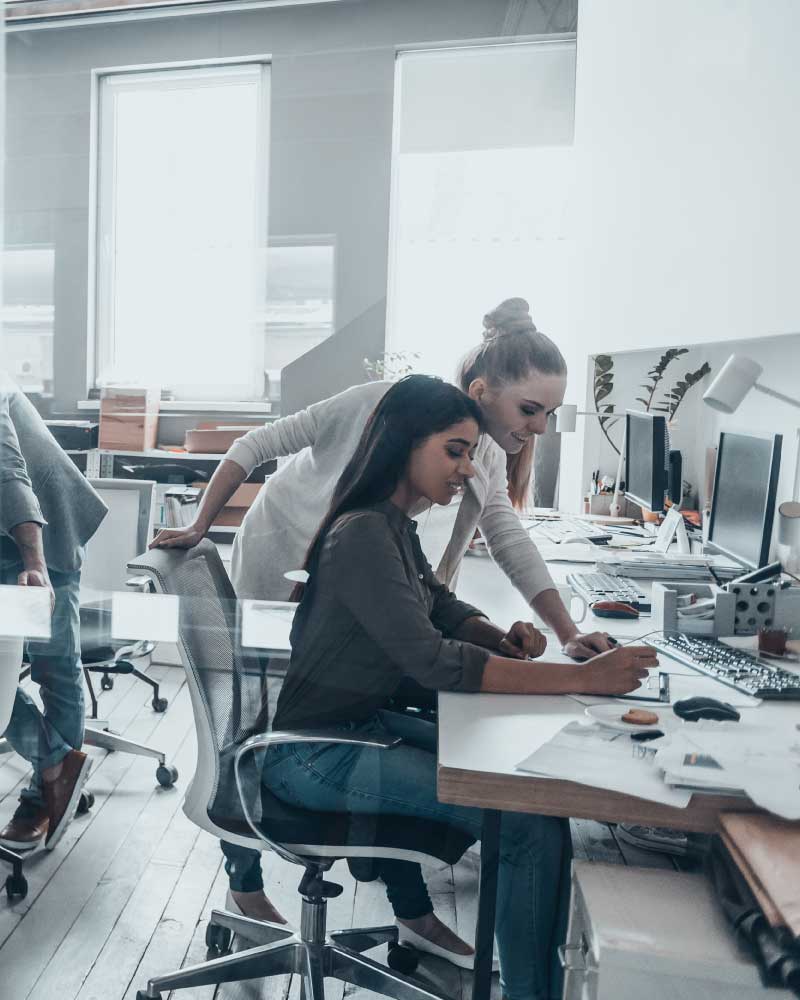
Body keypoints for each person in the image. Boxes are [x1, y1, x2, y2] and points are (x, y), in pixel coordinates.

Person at [150, 296, 615, 939]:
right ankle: (247, 882)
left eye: (549, 415)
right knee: (252, 716)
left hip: (357, 595)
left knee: (373, 707)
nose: (538, 428)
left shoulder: (428, 491)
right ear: (483, 392)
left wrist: (559, 634)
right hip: (281, 562)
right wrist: (201, 525)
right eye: (529, 410)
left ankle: (409, 905)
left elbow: (493, 546)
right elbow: (255, 444)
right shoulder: (383, 439)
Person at [262, 375, 657, 1000]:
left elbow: (440, 606)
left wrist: (499, 637)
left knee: (535, 800)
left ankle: (538, 984)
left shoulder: (390, 525)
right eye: (455, 451)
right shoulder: (362, 533)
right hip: (314, 754)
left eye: (470, 453)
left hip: (352, 731)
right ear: (403, 443)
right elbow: (433, 661)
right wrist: (580, 678)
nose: (468, 469)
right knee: (521, 822)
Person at [0, 373, 108, 850]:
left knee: (55, 666)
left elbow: (8, 472)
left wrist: (35, 563)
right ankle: (59, 770)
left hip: (43, 526)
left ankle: (44, 796)